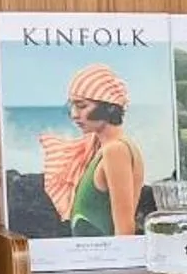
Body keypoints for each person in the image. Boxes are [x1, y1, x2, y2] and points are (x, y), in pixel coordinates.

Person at [38, 64, 144, 237]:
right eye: (72, 106)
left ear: (109, 106)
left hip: (105, 260)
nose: (74, 114)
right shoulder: (99, 148)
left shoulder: (116, 150)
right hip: (93, 259)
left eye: (81, 106)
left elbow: (124, 229)